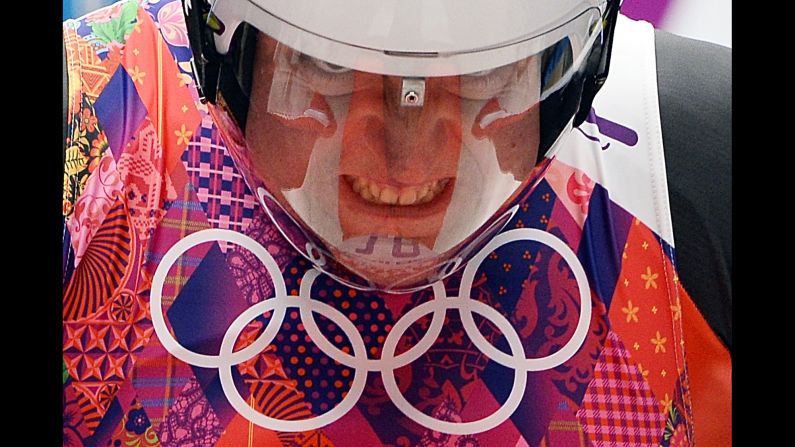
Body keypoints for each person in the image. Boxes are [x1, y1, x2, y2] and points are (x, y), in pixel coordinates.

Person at [63, 0, 730, 445]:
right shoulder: (91, 116)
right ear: (225, 55)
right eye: (327, 64)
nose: (405, 161)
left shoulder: (703, 149)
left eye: (482, 72)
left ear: (574, 67)